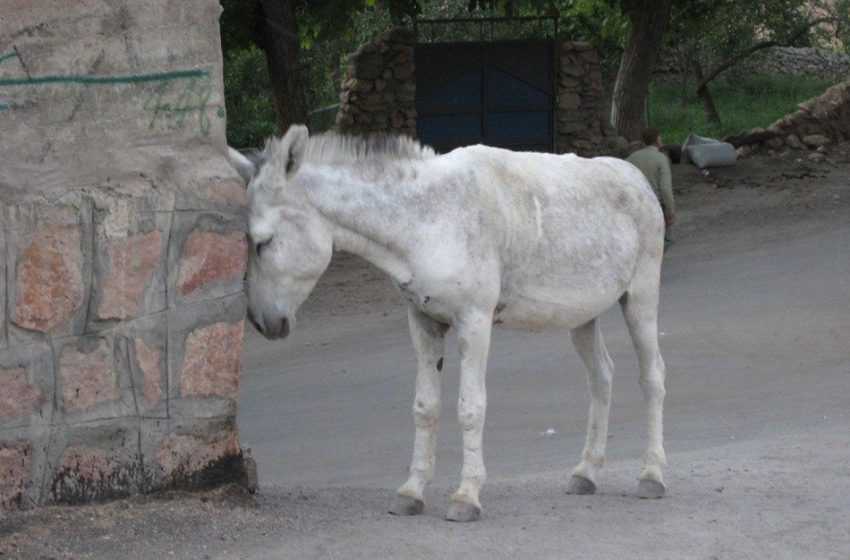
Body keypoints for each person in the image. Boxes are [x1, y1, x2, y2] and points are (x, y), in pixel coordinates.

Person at [626, 127, 675, 249]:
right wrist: (670, 210)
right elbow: (665, 188)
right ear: (657, 139)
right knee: (667, 238)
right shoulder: (661, 158)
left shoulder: (631, 158)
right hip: (655, 204)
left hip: (635, 203)